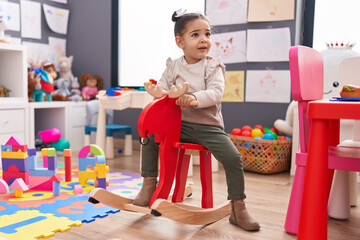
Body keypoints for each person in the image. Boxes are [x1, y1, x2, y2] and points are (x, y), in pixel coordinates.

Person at [133, 10, 260, 231]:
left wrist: (192, 98)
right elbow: (164, 89)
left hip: (207, 127)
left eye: (207, 34)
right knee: (149, 135)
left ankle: (238, 207)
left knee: (233, 158)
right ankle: (149, 184)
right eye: (196, 35)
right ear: (180, 42)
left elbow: (215, 93)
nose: (204, 39)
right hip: (177, 126)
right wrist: (158, 91)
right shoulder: (174, 66)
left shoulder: (212, 66)